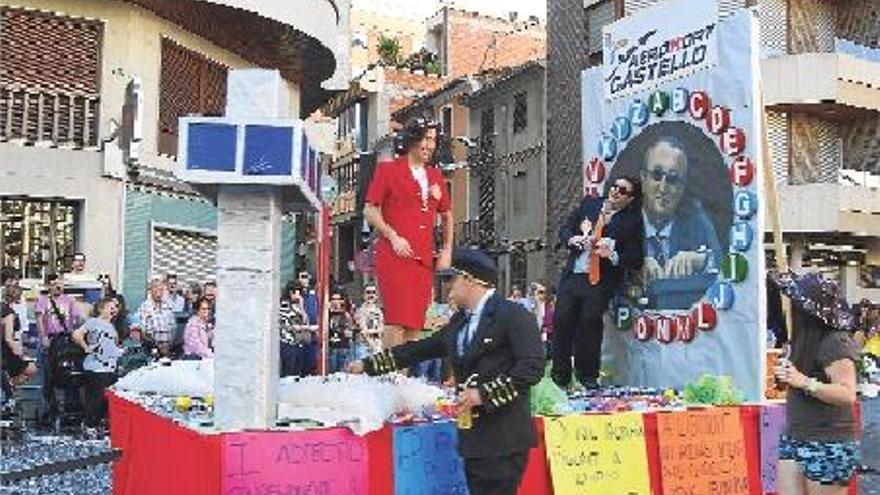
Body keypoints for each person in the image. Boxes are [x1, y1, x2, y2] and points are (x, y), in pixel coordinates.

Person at [348, 247, 544, 495]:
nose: (448, 287)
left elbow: (531, 368)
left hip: (504, 435)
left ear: (471, 280)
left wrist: (482, 394)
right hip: (473, 437)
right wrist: (368, 365)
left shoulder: (512, 315)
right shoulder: (459, 322)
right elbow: (420, 350)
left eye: (452, 279)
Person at [364, 116, 454, 350]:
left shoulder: (435, 176)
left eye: (434, 140)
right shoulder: (388, 170)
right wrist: (392, 236)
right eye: (426, 139)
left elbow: (447, 215)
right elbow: (370, 210)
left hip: (423, 258)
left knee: (415, 323)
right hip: (394, 255)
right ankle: (390, 377)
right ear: (413, 139)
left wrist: (446, 250)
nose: (430, 146)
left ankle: (404, 380)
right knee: (396, 320)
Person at [772, 271, 861, 494]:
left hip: (828, 441)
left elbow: (847, 393)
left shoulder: (835, 342)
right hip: (796, 435)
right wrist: (788, 376)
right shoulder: (800, 340)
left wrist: (804, 382)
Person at [553, 176, 645, 389]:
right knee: (562, 320)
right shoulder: (590, 205)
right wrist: (572, 239)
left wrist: (612, 254)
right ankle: (560, 376)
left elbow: (635, 258)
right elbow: (565, 228)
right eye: (614, 187)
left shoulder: (631, 222)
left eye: (622, 191)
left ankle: (588, 376)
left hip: (599, 279)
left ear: (630, 199)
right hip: (574, 273)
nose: (615, 192)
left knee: (590, 322)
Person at [640, 137, 721, 285]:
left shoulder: (697, 219)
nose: (663, 188)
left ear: (682, 187)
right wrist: (633, 263)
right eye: (657, 175)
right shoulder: (623, 219)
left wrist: (701, 260)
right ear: (643, 179)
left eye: (673, 178)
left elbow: (723, 262)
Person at [35, 273, 84, 419]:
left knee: (68, 373)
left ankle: (71, 408)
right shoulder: (43, 300)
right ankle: (47, 410)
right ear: (48, 285)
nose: (58, 285)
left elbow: (76, 319)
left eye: (60, 283)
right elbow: (39, 319)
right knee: (47, 377)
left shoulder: (69, 300)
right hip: (50, 339)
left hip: (65, 340)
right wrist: (43, 337)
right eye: (54, 283)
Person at [72, 296, 122, 428]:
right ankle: (89, 425)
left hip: (109, 368)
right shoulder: (93, 322)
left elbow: (113, 346)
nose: (113, 310)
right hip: (95, 367)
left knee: (106, 399)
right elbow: (77, 334)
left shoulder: (112, 327)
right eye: (110, 308)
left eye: (115, 308)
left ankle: (99, 424)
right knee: (96, 398)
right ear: (101, 309)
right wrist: (86, 347)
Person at [2, 286, 37, 386]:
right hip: (6, 350)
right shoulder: (9, 313)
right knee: (31, 368)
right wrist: (19, 353)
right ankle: (10, 387)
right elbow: (8, 338)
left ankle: (9, 388)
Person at [279, 283, 314, 377]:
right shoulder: (284, 305)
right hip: (288, 342)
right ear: (291, 292)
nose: (300, 295)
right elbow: (288, 325)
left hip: (298, 342)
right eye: (299, 292)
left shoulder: (298, 306)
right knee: (289, 371)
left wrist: (302, 307)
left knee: (297, 371)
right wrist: (307, 328)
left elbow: (305, 320)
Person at [138, 278, 176, 357]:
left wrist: (168, 346)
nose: (158, 291)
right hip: (151, 349)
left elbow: (173, 328)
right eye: (155, 287)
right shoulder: (145, 307)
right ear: (150, 290)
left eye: (161, 289)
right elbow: (144, 331)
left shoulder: (168, 306)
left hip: (168, 349)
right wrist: (158, 346)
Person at [328, 292, 356, 373]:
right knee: (332, 373)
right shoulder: (327, 314)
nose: (336, 301)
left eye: (338, 299)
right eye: (333, 299)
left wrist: (348, 331)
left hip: (343, 346)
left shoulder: (346, 314)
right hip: (331, 347)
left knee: (342, 373)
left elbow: (352, 327)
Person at [355, 285, 384, 355]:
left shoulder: (378, 311)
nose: (371, 295)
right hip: (364, 347)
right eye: (368, 292)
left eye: (373, 292)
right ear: (364, 295)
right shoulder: (360, 311)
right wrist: (373, 346)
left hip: (377, 345)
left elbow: (382, 329)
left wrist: (371, 331)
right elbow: (364, 331)